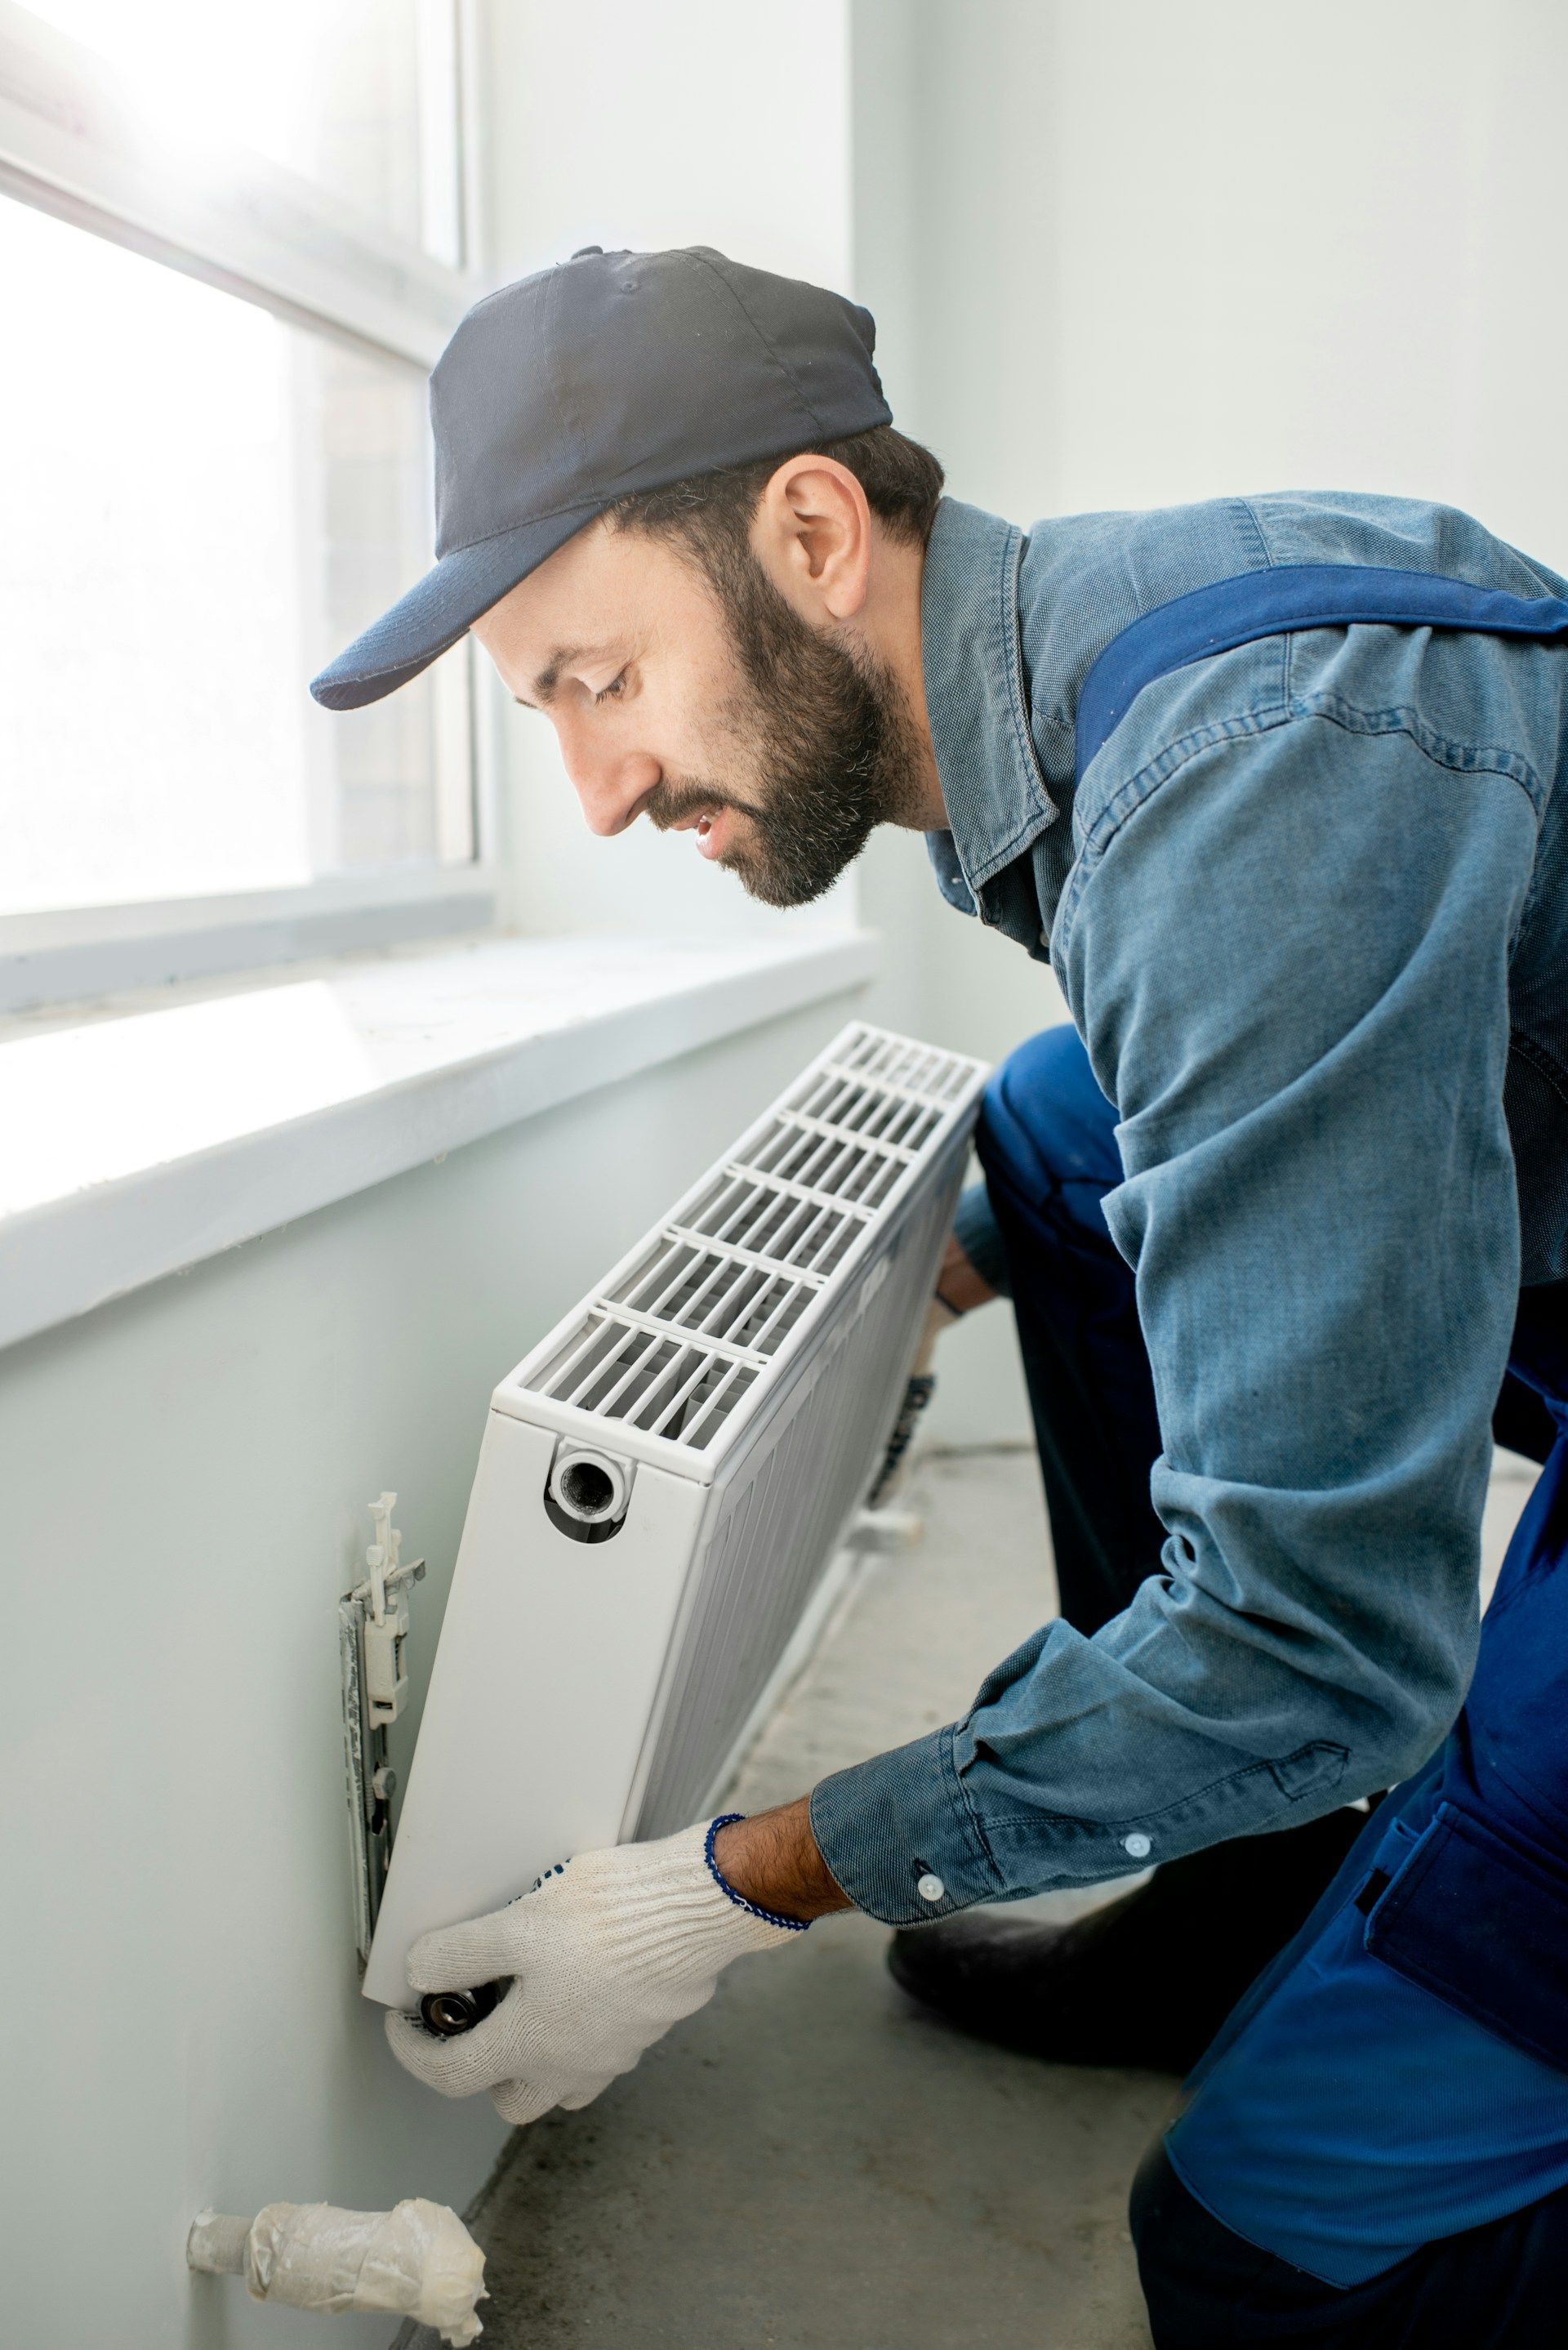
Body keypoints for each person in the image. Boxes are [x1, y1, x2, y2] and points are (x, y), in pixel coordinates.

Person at [310, 246, 1568, 2345]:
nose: (598, 792)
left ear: (810, 532)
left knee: (1273, 2243)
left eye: (597, 682)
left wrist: (728, 1885)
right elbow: (1174, 1115)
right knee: (1059, 1130)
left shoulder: (1246, 781)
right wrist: (905, 1306)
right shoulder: (1101, 684)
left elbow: (1330, 1637)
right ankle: (1243, 1880)